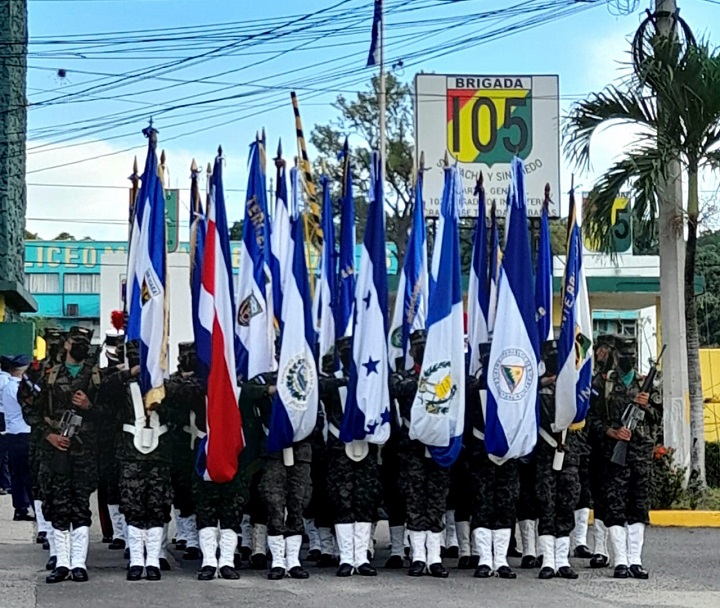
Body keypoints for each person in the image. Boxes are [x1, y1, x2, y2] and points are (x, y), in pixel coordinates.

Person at [588, 335, 660, 580]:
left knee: (638, 507)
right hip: (614, 454)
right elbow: (591, 419)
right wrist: (611, 431)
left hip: (640, 455)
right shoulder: (603, 382)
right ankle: (620, 560)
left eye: (632, 355)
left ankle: (635, 560)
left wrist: (646, 404)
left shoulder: (646, 384)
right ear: (615, 355)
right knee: (615, 506)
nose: (628, 359)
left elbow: (658, 418)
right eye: (623, 355)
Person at [101, 340, 173, 581]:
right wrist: (129, 373)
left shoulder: (165, 385)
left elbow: (185, 398)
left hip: (158, 458)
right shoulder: (120, 385)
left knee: (156, 507)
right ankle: (136, 560)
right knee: (133, 508)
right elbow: (103, 389)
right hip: (130, 457)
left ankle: (152, 560)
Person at [36, 326, 102, 584]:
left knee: (81, 506)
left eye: (85, 341)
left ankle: (79, 563)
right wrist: (48, 435)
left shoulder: (97, 377)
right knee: (58, 505)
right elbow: (32, 410)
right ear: (66, 344)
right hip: (56, 449)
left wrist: (89, 406)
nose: (80, 345)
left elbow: (111, 415)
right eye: (76, 341)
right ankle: (62, 562)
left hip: (84, 449)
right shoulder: (49, 376)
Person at [389, 330, 449, 579]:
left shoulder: (445, 378)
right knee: (414, 501)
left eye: (426, 346)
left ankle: (434, 558)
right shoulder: (402, 377)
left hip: (437, 448)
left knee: (435, 501)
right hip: (411, 449)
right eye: (418, 346)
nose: (422, 349)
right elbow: (396, 389)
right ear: (411, 351)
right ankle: (417, 557)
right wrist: (427, 379)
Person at [321, 336, 380, 578]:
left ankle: (362, 557)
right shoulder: (331, 385)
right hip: (339, 451)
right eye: (344, 353)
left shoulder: (373, 383)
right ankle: (346, 558)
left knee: (364, 503)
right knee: (342, 503)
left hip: (366, 450)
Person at [466, 343, 519, 580]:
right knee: (481, 505)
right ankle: (485, 559)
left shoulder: (511, 391)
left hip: (506, 456)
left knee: (504, 505)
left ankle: (501, 559)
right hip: (480, 455)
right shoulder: (473, 390)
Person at [534, 340, 582, 580]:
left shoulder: (572, 387)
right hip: (545, 455)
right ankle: (548, 560)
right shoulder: (536, 389)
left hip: (568, 456)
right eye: (551, 356)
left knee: (565, 506)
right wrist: (544, 384)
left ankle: (562, 560)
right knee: (546, 506)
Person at [166, 343, 202, 561]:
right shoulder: (173, 381)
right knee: (181, 491)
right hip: (179, 443)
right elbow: (175, 394)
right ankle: (188, 537)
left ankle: (199, 535)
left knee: (200, 490)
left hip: (201, 442)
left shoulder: (205, 379)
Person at [1, 355, 35, 521]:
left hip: (12, 433)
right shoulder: (19, 388)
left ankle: (20, 508)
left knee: (17, 475)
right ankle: (35, 509)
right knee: (29, 475)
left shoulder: (8, 387)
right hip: (25, 433)